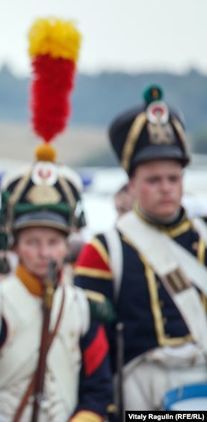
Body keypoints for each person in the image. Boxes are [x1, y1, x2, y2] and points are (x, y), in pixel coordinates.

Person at [74, 85, 207, 411]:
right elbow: (92, 340)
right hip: (140, 391)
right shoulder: (104, 250)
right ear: (132, 184)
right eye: (153, 180)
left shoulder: (203, 236)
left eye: (173, 178)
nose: (166, 188)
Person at [0, 158, 113, 421]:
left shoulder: (86, 310)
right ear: (15, 246)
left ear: (66, 246)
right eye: (32, 242)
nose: (44, 252)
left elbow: (98, 389)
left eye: (53, 242)